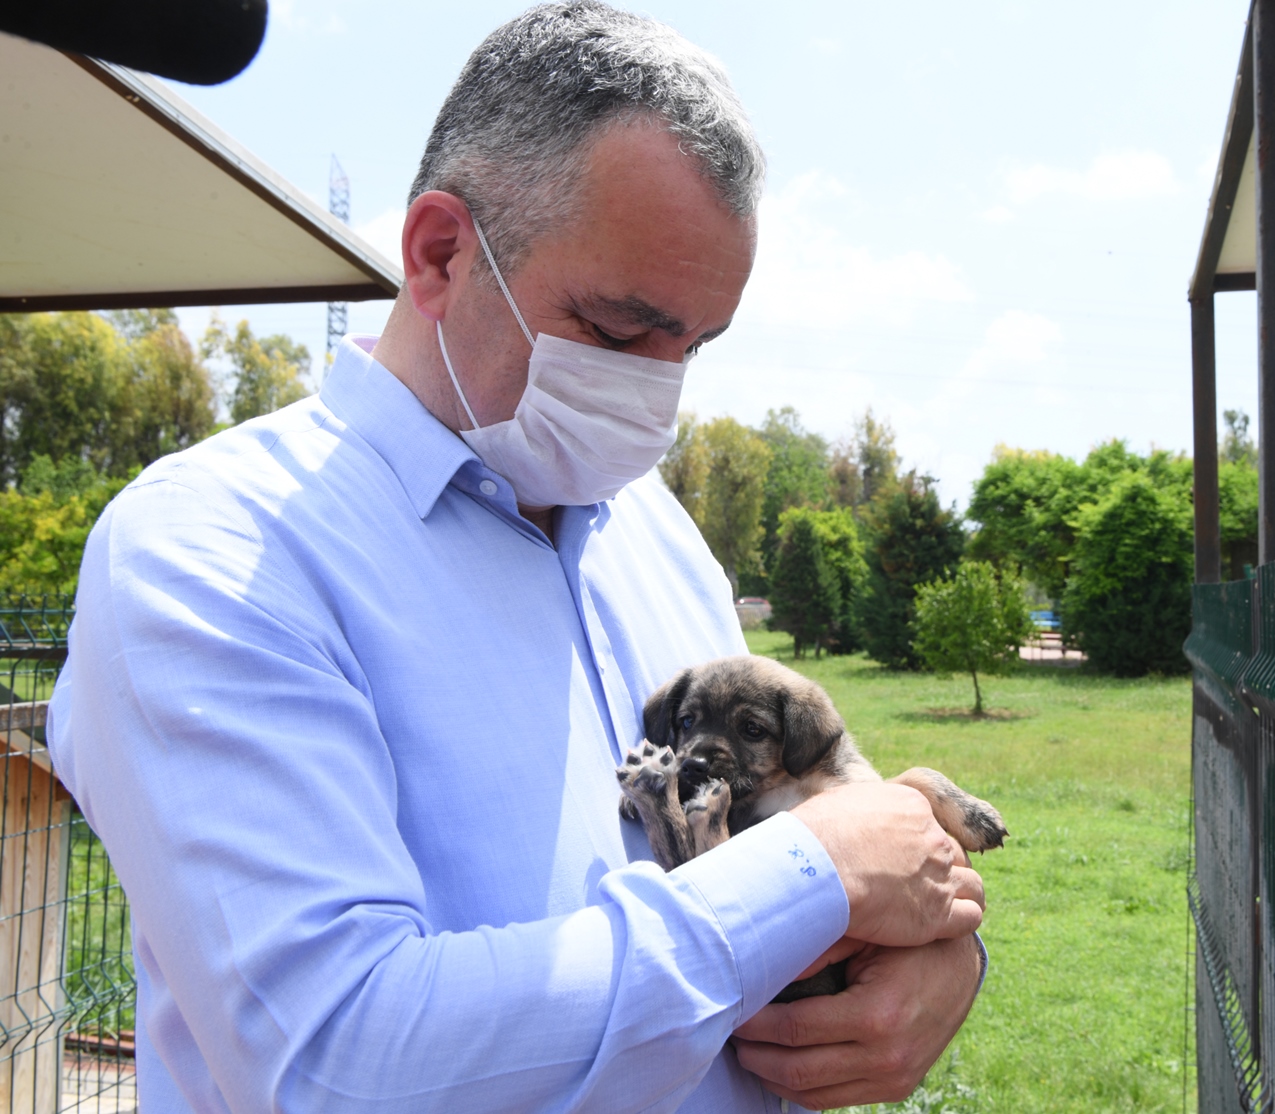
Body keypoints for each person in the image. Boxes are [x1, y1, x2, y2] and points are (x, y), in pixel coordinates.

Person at [47, 3, 990, 1112]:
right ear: (440, 252)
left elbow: (834, 822)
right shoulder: (213, 554)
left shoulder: (660, 534)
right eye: (617, 328)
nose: (659, 390)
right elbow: (337, 1061)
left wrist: (939, 966)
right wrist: (811, 882)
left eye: (693, 343)